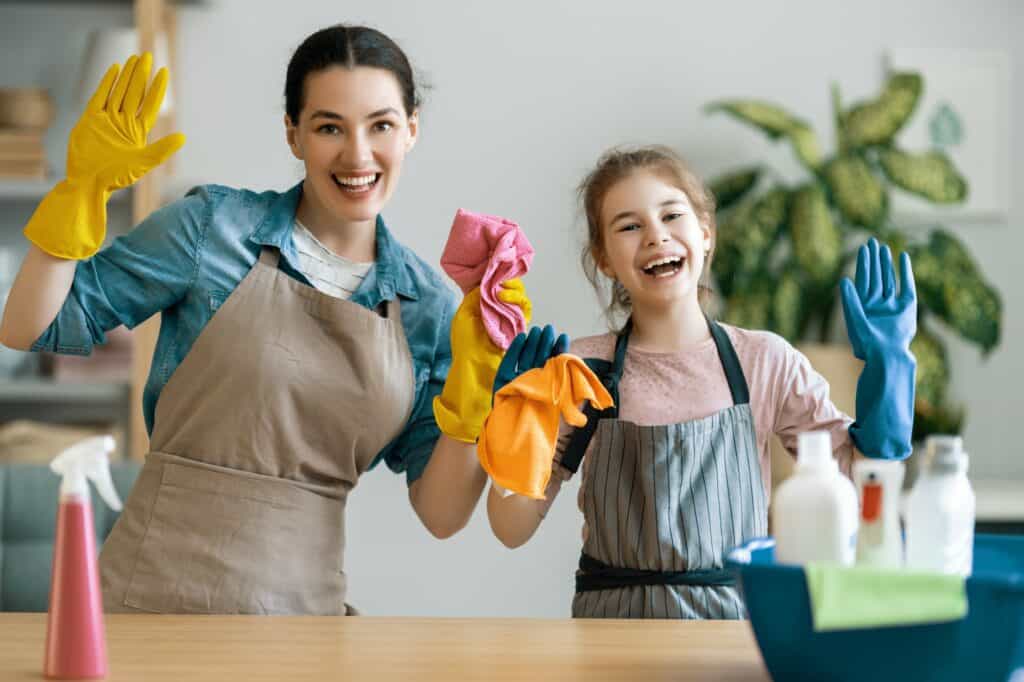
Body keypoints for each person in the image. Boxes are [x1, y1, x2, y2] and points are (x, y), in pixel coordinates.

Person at [0, 24, 537, 615]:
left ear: (412, 129)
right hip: (144, 604)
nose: (358, 154)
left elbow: (442, 514)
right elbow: (28, 328)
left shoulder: (429, 308)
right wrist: (80, 194)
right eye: (330, 126)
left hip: (303, 622)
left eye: (380, 125)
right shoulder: (211, 228)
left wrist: (477, 387)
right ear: (294, 133)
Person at [485, 145, 917, 619]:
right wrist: (515, 425)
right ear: (604, 258)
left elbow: (862, 482)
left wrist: (889, 368)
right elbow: (511, 528)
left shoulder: (764, 362)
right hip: (609, 638)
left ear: (706, 233)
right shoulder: (579, 369)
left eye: (672, 215)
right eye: (629, 226)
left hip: (733, 633)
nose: (655, 236)